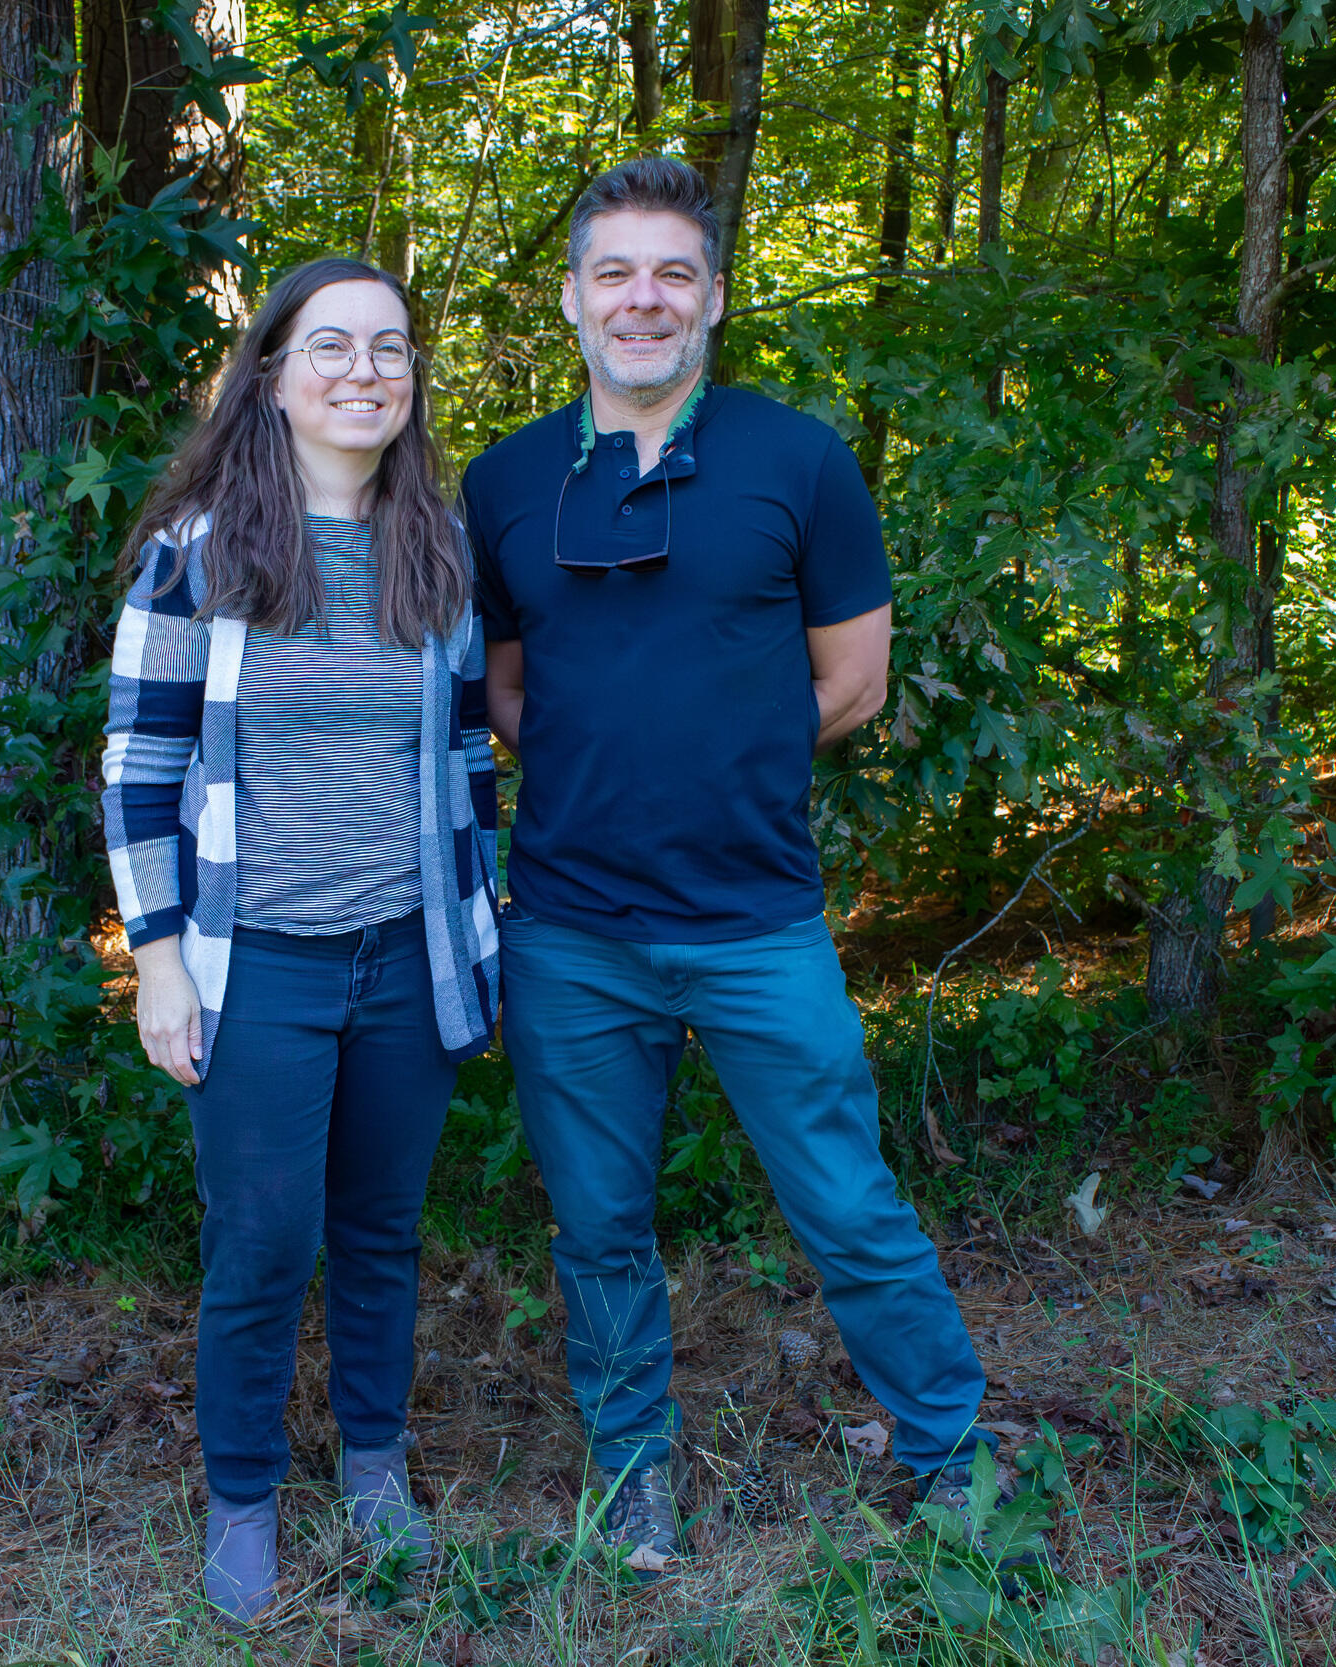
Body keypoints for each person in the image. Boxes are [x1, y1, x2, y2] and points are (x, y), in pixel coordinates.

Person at [459, 156, 990, 1569]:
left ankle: (953, 1459)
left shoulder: (799, 460)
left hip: (758, 921)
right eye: (616, 273)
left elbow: (856, 684)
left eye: (674, 274)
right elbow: (501, 689)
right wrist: (607, 772)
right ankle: (634, 1469)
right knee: (600, 1227)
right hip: (571, 929)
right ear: (571, 297)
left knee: (849, 1205)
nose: (645, 299)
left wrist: (720, 772)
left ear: (712, 299)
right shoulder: (503, 479)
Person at [101, 257, 501, 1622]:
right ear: (271, 372)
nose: (365, 374)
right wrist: (159, 957)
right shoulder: (198, 554)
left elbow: (464, 768)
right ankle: (242, 1493)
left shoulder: (436, 549)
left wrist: (476, 920)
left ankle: (376, 1469)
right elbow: (139, 769)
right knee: (263, 1240)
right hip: (254, 960)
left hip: (408, 958)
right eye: (332, 347)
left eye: (390, 351)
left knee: (383, 1234)